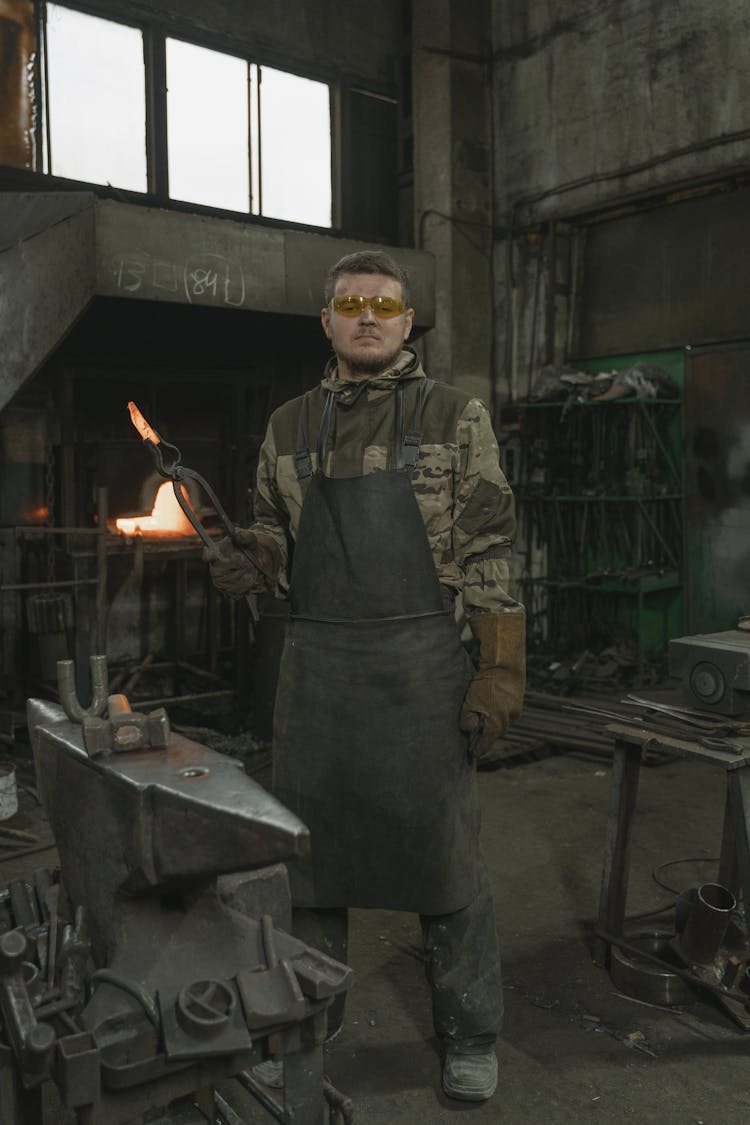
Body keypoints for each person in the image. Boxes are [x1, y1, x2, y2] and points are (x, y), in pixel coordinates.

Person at [208, 249, 525, 1102]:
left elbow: (492, 546)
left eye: (386, 303)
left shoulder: (457, 416)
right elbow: (277, 538)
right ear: (328, 320)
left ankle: (470, 1030)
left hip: (424, 671)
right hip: (319, 676)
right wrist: (253, 555)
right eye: (351, 302)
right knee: (311, 866)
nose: (369, 315)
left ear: (409, 318)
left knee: (447, 860)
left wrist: (498, 669)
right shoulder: (287, 426)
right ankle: (314, 1017)